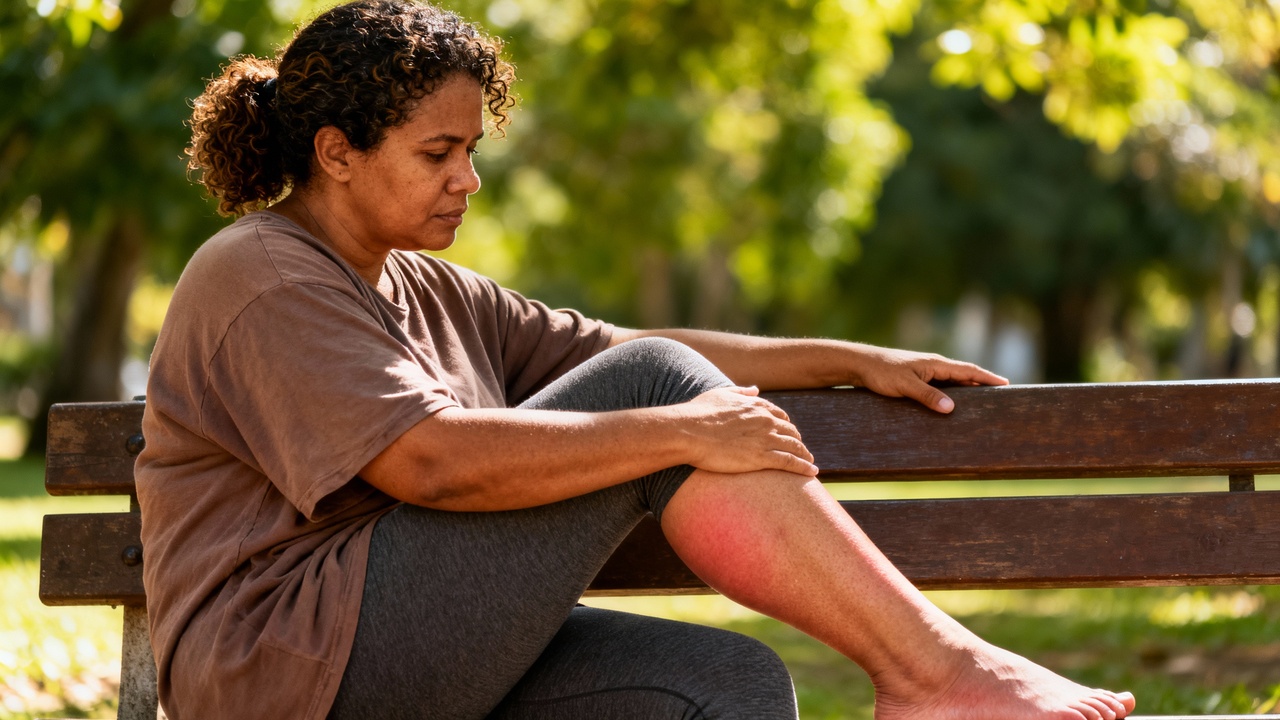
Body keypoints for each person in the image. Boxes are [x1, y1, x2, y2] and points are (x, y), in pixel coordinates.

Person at [135, 1, 1138, 718]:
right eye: (437, 154)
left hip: (396, 641)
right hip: (291, 667)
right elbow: (426, 461)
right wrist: (676, 427)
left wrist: (845, 357)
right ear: (334, 151)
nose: (468, 179)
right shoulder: (264, 274)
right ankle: (936, 673)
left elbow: (613, 347)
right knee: (657, 393)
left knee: (727, 690)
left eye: (472, 150)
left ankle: (935, 681)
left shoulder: (418, 280)